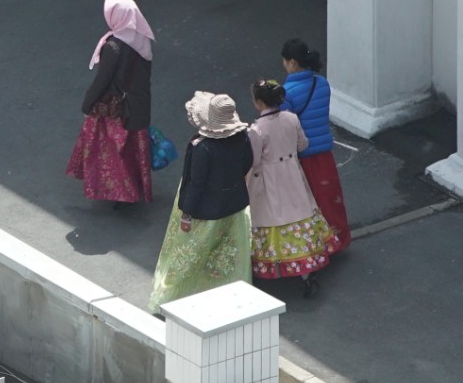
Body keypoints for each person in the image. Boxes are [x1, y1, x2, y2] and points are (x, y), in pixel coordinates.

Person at [147, 92, 252, 310]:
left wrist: (187, 214)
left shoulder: (203, 147)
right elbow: (247, 163)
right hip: (234, 204)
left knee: (192, 253)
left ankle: (173, 298)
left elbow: (196, 183)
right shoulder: (241, 138)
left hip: (205, 209)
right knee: (227, 252)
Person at [248, 79, 341, 298]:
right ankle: (307, 272)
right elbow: (303, 145)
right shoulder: (291, 118)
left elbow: (254, 160)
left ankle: (272, 265)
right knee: (301, 212)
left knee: (272, 218)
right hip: (293, 173)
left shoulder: (257, 129)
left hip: (270, 179)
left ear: (259, 103)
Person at [67, 0, 154, 208]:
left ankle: (122, 193)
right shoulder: (142, 39)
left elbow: (102, 80)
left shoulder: (113, 47)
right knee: (133, 148)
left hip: (116, 108)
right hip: (138, 105)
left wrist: (87, 104)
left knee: (114, 152)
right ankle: (135, 188)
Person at [281, 38, 351, 250]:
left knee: (309, 202)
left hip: (303, 155)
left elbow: (287, 126)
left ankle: (319, 246)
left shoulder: (287, 92)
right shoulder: (321, 83)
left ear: (292, 62)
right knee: (330, 198)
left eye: (285, 61)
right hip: (324, 153)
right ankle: (340, 238)